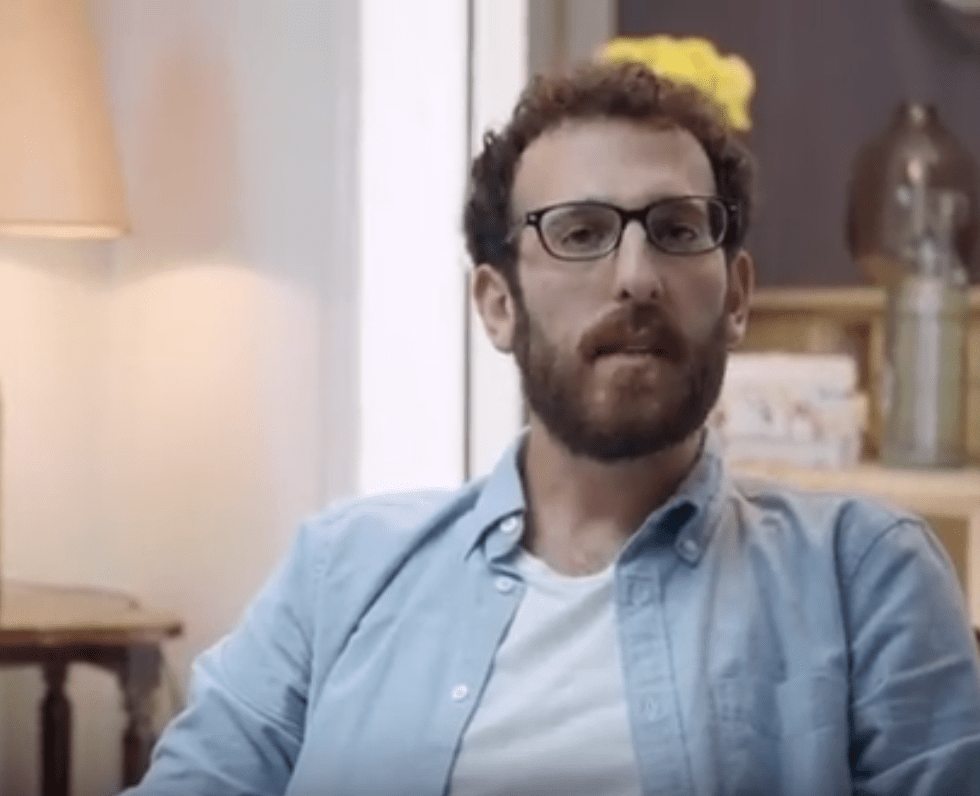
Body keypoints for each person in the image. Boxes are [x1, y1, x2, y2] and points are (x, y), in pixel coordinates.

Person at [125, 61, 980, 796]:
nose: (637, 276)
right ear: (498, 305)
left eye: (677, 230)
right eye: (580, 233)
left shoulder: (865, 579)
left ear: (736, 297)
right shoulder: (338, 576)